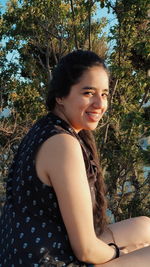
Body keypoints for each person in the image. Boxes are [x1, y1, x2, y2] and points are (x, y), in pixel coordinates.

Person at [0, 50, 150, 267]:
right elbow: (86, 250)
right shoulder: (63, 144)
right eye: (88, 93)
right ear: (60, 96)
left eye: (105, 94)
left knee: (145, 226)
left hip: (32, 253)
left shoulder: (46, 128)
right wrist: (120, 253)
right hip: (50, 261)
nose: (100, 104)